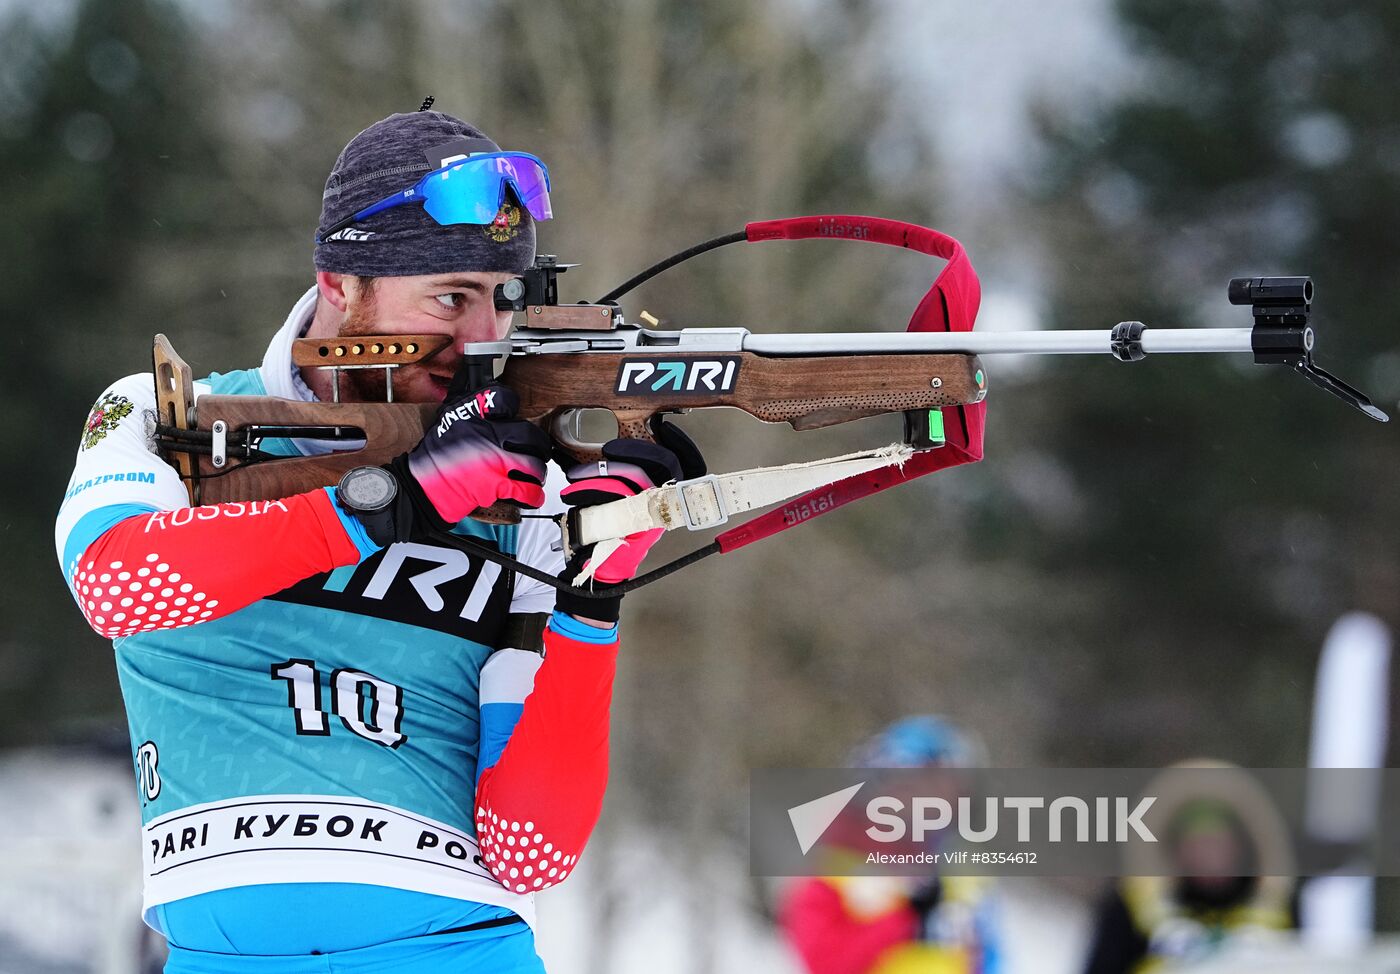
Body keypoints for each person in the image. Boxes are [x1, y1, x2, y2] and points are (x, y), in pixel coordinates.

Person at [54, 106, 697, 973]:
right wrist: (380, 504)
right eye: (451, 297)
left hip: (457, 946)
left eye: (501, 300)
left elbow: (531, 849)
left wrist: (591, 600)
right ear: (339, 285)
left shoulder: (527, 493)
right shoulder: (157, 416)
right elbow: (118, 585)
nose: (482, 337)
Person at [779, 716, 1002, 974]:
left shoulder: (963, 871)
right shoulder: (831, 868)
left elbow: (991, 959)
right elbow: (824, 962)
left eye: (949, 791)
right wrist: (907, 919)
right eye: (922, 785)